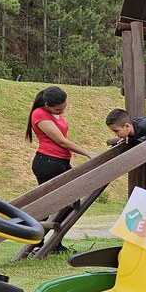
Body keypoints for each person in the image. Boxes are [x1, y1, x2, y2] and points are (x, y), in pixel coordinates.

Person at [25, 85, 96, 253]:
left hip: (60, 161)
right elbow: (61, 141)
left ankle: (54, 242)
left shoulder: (52, 112)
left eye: (64, 109)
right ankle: (37, 242)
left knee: (71, 201)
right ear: (47, 104)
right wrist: (87, 152)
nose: (61, 113)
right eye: (58, 109)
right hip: (48, 162)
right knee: (51, 204)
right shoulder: (39, 114)